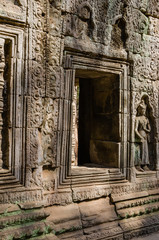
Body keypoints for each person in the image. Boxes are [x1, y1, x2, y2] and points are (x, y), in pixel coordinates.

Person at [135, 99, 151, 171]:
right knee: (139, 150)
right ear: (139, 110)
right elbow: (135, 129)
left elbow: (149, 129)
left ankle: (145, 165)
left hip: (145, 136)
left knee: (145, 151)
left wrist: (145, 129)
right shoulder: (137, 118)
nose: (143, 111)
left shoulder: (146, 119)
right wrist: (140, 136)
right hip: (140, 136)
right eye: (142, 110)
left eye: (144, 110)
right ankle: (138, 165)